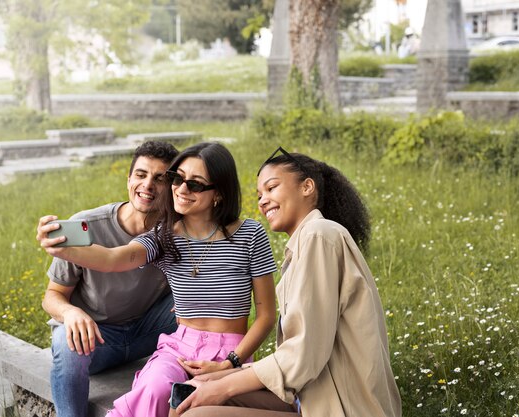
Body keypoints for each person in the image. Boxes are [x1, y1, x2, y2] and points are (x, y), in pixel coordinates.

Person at [37, 142, 277, 417]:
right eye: (177, 179)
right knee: (154, 389)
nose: (181, 189)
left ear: (219, 194)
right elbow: (117, 258)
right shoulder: (164, 235)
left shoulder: (249, 235)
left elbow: (267, 315)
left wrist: (232, 362)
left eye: (195, 184)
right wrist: (64, 249)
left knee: (197, 401)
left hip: (232, 348)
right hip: (179, 345)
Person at [173, 147, 402, 417]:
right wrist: (225, 374)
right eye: (260, 195)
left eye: (271, 188)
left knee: (198, 414)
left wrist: (225, 386)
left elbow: (304, 352)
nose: (263, 201)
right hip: (313, 395)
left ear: (306, 187)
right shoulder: (303, 246)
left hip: (341, 406)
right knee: (193, 392)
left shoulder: (319, 235)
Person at [39, 141, 180, 417]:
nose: (148, 185)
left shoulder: (176, 233)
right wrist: (70, 313)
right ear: (129, 179)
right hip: (95, 339)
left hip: (147, 331)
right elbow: (51, 296)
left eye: (160, 178)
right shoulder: (87, 226)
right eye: (141, 175)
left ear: (173, 187)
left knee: (202, 303)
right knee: (66, 344)